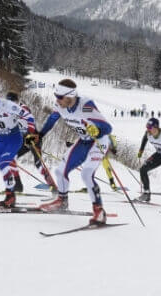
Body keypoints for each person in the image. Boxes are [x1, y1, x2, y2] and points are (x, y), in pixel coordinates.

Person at [38, 79, 113, 225]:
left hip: (99, 142)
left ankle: (99, 211)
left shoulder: (85, 105)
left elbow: (107, 128)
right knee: (60, 171)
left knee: (86, 174)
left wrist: (97, 129)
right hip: (84, 141)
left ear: (69, 97)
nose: (57, 100)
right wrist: (40, 135)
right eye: (56, 96)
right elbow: (52, 119)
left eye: (59, 97)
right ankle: (62, 201)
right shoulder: (60, 105)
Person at [5, 91, 57, 194]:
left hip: (34, 138)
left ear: (16, 101)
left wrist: (31, 134)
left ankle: (54, 188)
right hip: (23, 140)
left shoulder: (23, 108)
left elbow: (30, 121)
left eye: (12, 102)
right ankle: (18, 185)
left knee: (38, 163)